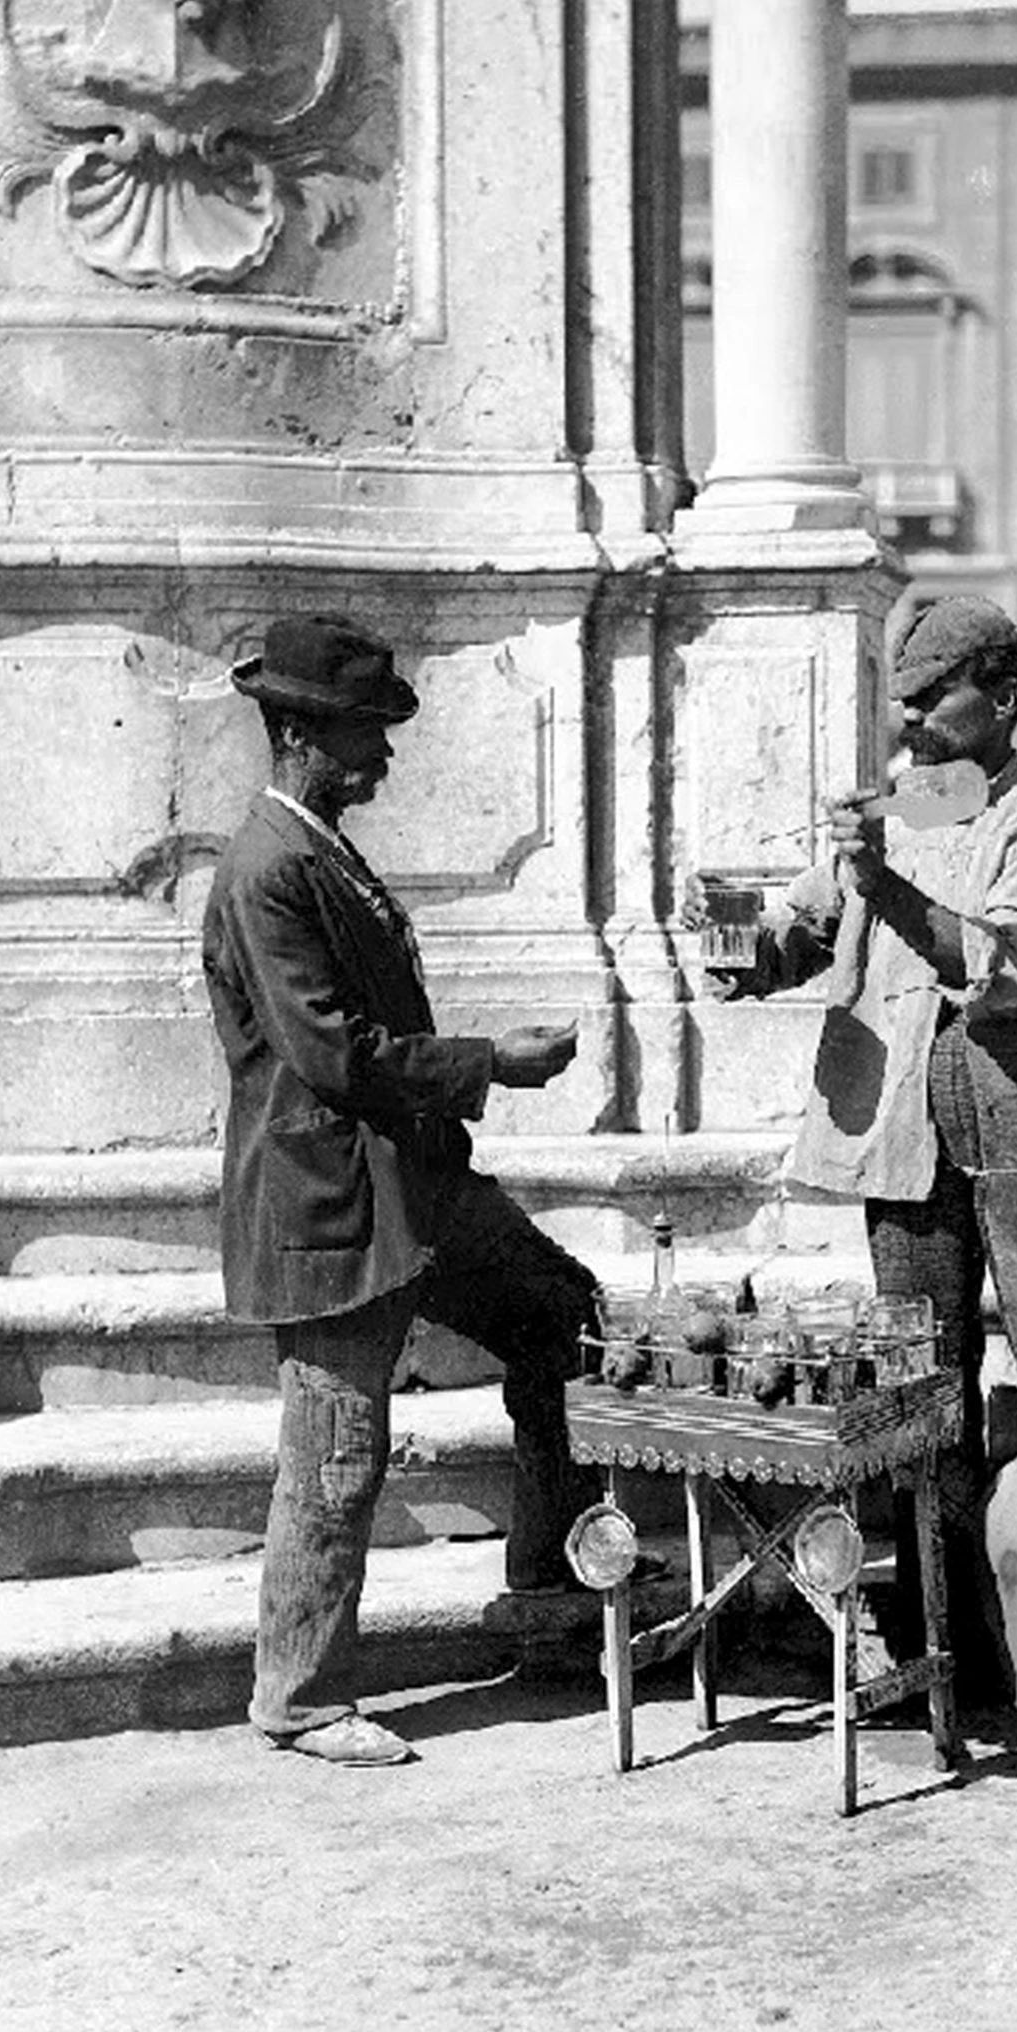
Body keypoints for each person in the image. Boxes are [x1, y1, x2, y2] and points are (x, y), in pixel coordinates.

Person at [691, 595, 1017, 1693]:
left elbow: (1006, 966)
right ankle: (954, 1647)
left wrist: (881, 882)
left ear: (1002, 691)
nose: (909, 716)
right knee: (922, 1398)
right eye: (899, 696)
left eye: (934, 694)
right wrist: (746, 943)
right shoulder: (894, 810)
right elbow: (801, 931)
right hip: (898, 1141)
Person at [202, 613, 610, 1768]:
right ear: (293, 732)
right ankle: (296, 1696)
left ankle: (555, 1588)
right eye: (361, 733)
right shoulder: (269, 868)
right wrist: (494, 1061)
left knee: (560, 1316)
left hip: (412, 1183)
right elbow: (335, 1056)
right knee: (337, 1446)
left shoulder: (316, 847)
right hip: (332, 1201)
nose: (381, 753)